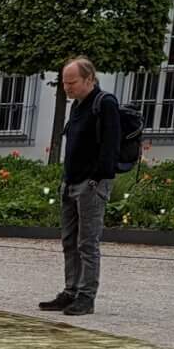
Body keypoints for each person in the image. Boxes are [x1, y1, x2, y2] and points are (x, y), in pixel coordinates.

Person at [44, 56, 128, 317]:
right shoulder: (77, 106)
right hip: (71, 182)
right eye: (64, 83)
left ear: (89, 79)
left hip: (91, 184)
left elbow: (111, 146)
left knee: (87, 243)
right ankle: (71, 290)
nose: (67, 88)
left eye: (72, 83)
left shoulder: (105, 103)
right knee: (69, 240)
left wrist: (97, 178)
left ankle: (86, 296)